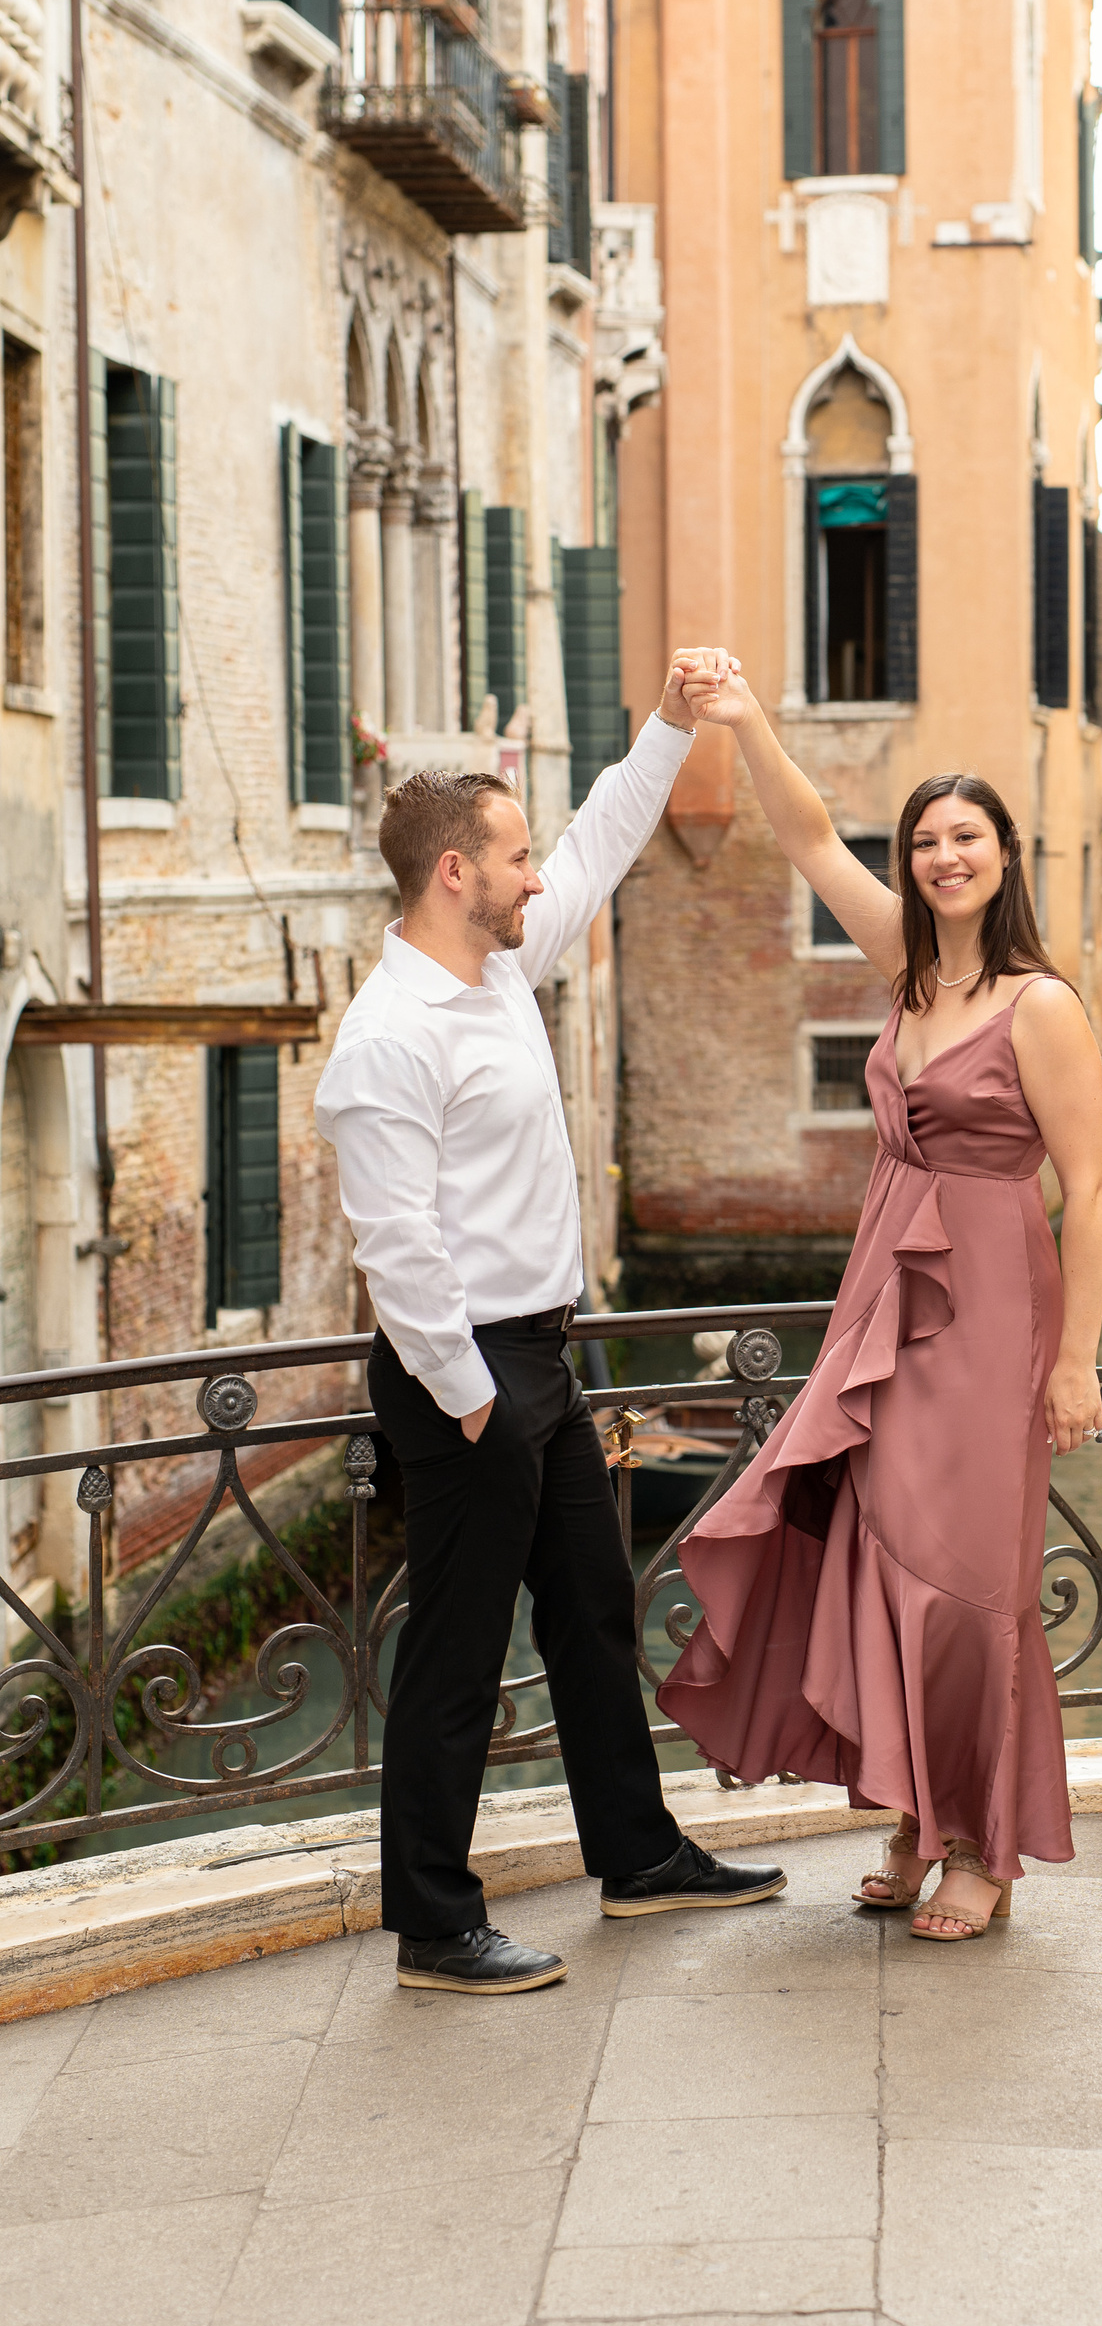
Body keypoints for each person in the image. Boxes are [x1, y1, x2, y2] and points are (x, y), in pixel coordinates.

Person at [315, 655, 787, 1995]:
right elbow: (396, 1246)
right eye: (513, 858)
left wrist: (671, 725)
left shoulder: (503, 969)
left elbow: (601, 838)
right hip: (465, 1373)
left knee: (590, 1608)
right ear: (453, 871)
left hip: (542, 1359)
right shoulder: (389, 1037)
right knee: (458, 1652)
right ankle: (432, 1923)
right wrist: (470, 1396)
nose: (537, 877)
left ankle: (636, 1855)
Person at [657, 665, 1102, 1942]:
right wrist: (746, 720)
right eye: (923, 841)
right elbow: (809, 838)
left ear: (1005, 854)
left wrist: (1076, 1360)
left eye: (967, 836)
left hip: (991, 1306)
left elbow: (1088, 1190)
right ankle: (913, 1811)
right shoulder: (909, 968)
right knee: (874, 1541)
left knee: (967, 1578)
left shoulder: (1042, 1005)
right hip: (885, 1295)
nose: (943, 857)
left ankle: (980, 1844)